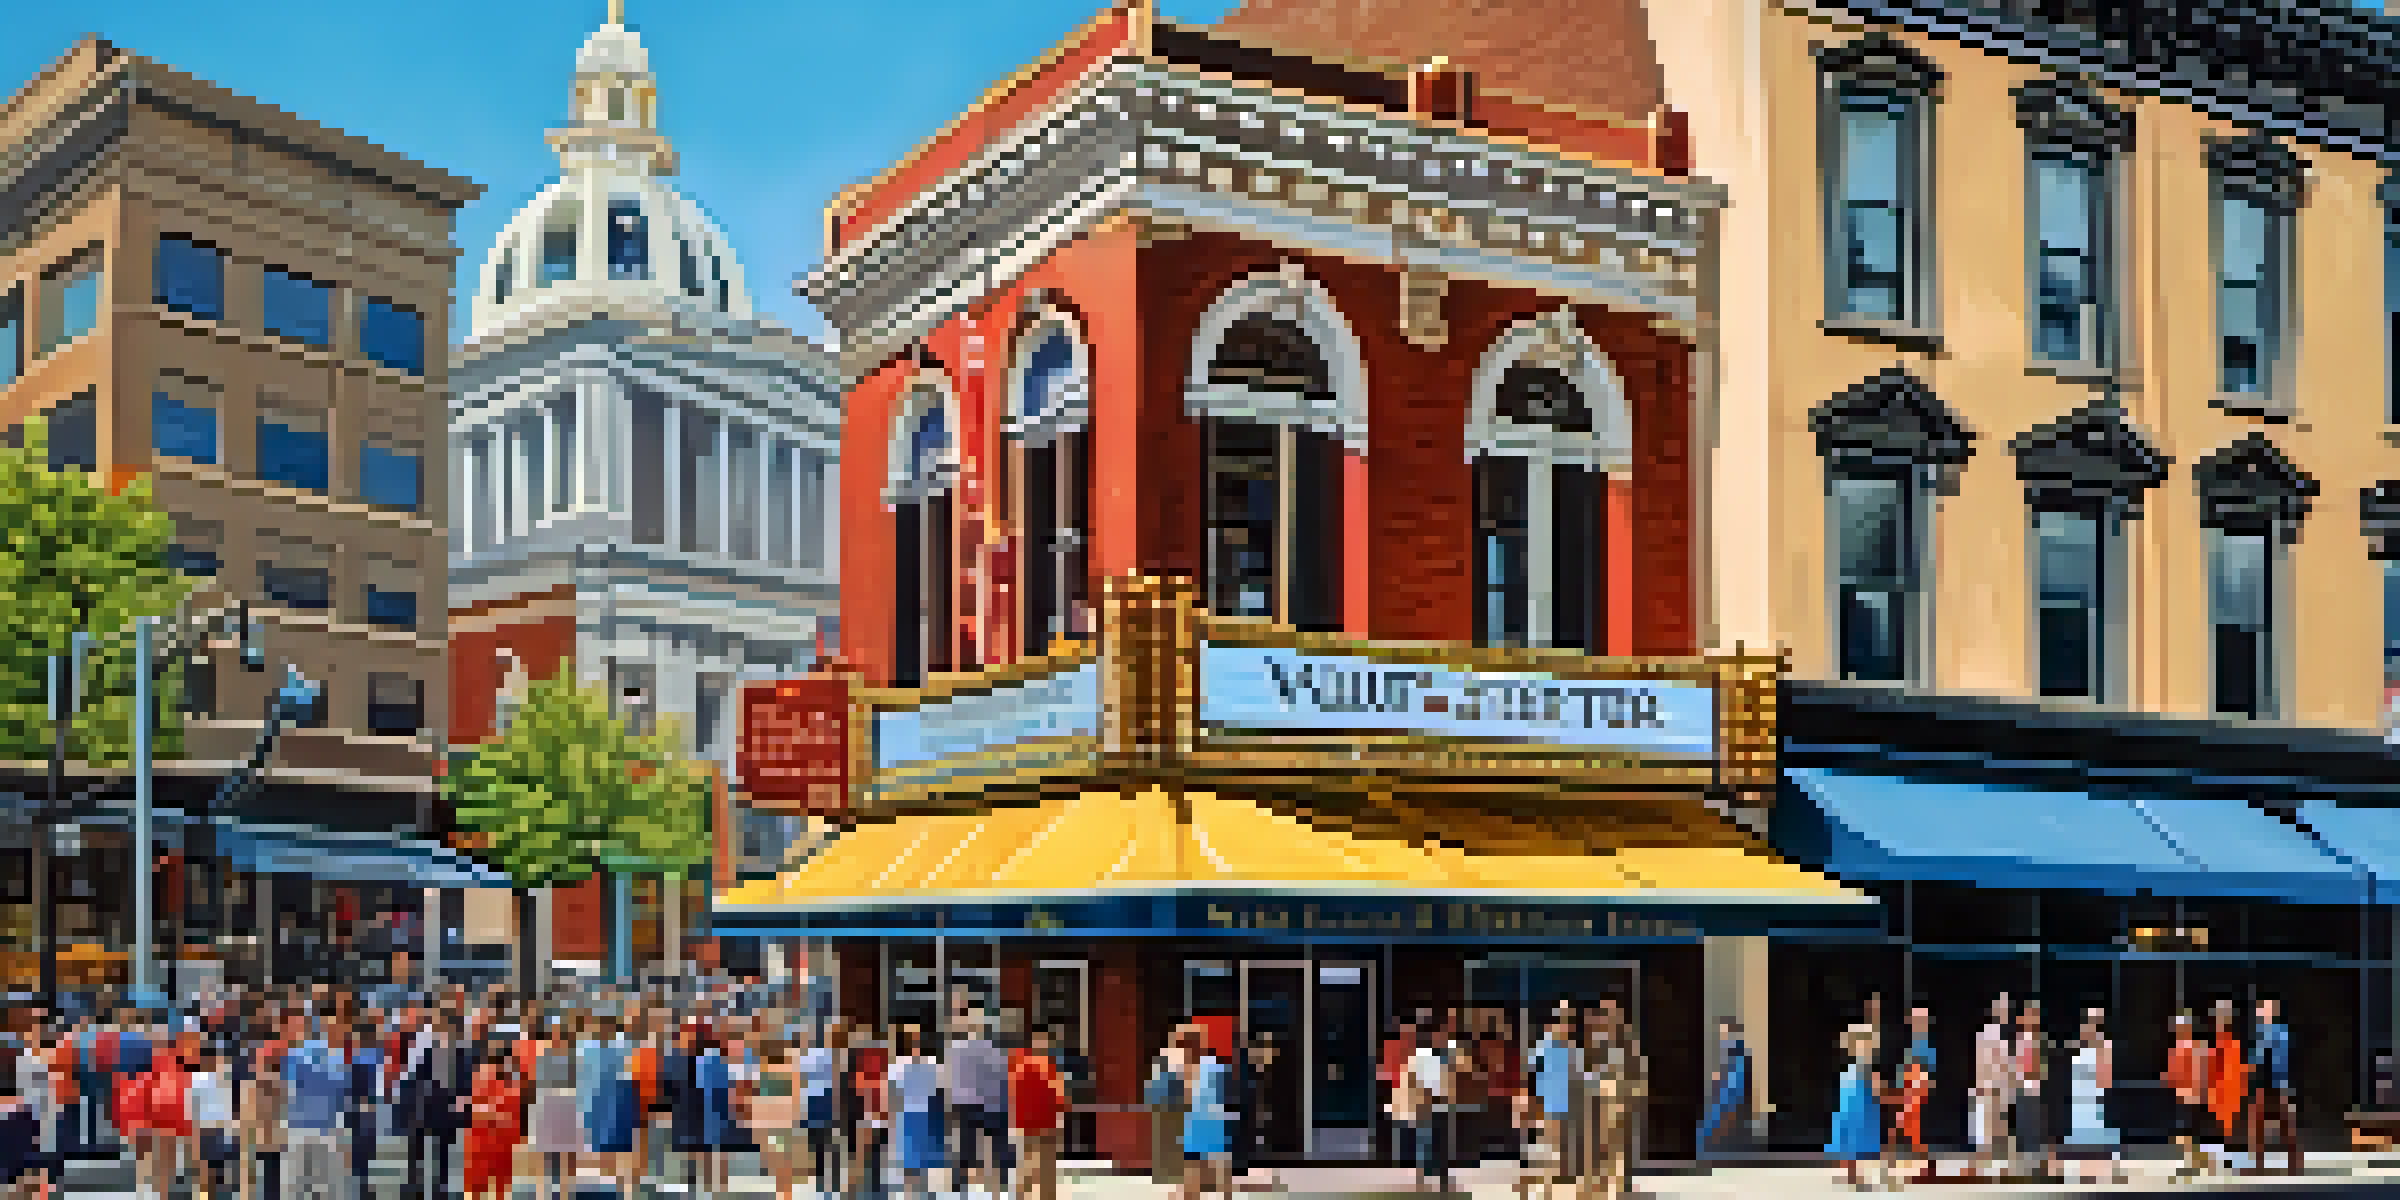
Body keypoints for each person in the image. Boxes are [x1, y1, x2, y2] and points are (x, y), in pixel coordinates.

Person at [945, 1012, 1010, 1200]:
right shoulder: (991, 1049)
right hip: (988, 1103)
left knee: (968, 1144)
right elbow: (1000, 1076)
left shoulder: (958, 1049)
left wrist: (953, 1102)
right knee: (995, 1144)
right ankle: (1001, 1181)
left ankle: (959, 1183)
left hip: (970, 1103)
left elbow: (951, 1079)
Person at [2061, 1007, 2119, 1185]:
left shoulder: (2104, 1046)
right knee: (2081, 1136)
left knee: (2093, 1135)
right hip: (2078, 1104)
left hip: (2094, 1103)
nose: (2092, 1025)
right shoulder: (2076, 1046)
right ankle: (2084, 1174)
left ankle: (2098, 1174)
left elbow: (2106, 1080)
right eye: (2090, 1020)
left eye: (2097, 1020)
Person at [525, 1019, 583, 1200]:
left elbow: (579, 1083)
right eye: (554, 1034)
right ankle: (545, 1191)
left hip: (567, 1105)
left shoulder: (573, 1056)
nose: (557, 1037)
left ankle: (566, 1190)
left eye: (560, 1034)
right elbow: (534, 1084)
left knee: (567, 1153)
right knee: (547, 1154)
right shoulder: (543, 1055)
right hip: (548, 1105)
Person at [1009, 1027, 1068, 1200]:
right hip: (1032, 1121)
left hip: (1040, 1121)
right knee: (1036, 1164)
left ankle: (1031, 1195)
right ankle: (1033, 1195)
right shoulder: (1033, 1064)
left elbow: (1059, 1096)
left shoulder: (1021, 1062)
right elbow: (1059, 1094)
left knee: (1038, 1164)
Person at [888, 1027, 946, 1200]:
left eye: (917, 1036)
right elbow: (893, 1094)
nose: (914, 1040)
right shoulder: (899, 1064)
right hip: (908, 1116)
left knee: (929, 1163)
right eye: (910, 1037)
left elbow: (940, 1089)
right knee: (910, 1163)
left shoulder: (931, 1062)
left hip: (928, 1116)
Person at [1825, 1026, 1882, 1191]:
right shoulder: (1853, 1071)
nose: (1866, 1047)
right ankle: (1851, 1174)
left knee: (1859, 1140)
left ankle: (1853, 1174)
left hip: (1863, 1106)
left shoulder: (1866, 1069)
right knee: (1852, 1139)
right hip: (1854, 1105)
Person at [2248, 996, 2299, 1175]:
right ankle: (2259, 1163)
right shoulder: (2259, 1033)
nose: (2260, 1012)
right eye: (2260, 1009)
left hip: (2278, 1084)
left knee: (2284, 1124)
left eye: (2264, 1009)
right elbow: (2255, 1060)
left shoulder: (2279, 1032)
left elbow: (2282, 1060)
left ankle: (2292, 1163)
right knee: (2258, 1124)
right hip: (2263, 1085)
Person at [462, 1059, 523, 1200]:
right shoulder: (507, 1092)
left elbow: (513, 1122)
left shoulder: (510, 1092)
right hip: (482, 1143)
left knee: (498, 1184)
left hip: (499, 1145)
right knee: (478, 1185)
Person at [2161, 1013, 2209, 1180]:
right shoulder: (2177, 1049)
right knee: (2182, 1133)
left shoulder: (2197, 1047)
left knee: (2190, 1133)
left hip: (2192, 1097)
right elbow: (2173, 1074)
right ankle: (2191, 1164)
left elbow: (2202, 1073)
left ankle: (2195, 1165)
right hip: (2181, 1097)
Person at [1969, 996, 2014, 1178]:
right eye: (2002, 1009)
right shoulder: (1987, 1035)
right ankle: (1986, 1167)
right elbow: (1982, 1064)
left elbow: (2005, 1066)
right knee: (1986, 1130)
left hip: (1998, 1089)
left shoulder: (2004, 1038)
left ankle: (1998, 1166)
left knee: (1998, 1128)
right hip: (1987, 1089)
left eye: (2006, 1010)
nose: (2004, 1013)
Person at [240, 1039, 288, 1200]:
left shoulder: (278, 1086)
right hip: (259, 1144)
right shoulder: (251, 1086)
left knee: (269, 1184)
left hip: (271, 1145)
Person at [1889, 1009, 1933, 1184]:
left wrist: (1920, 1084)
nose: (1917, 1023)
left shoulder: (1926, 1046)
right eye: (1915, 1019)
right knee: (1902, 1124)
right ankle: (1897, 1164)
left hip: (1917, 1092)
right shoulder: (1910, 1045)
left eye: (1920, 1019)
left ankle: (1919, 1166)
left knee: (1915, 1128)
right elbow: (1904, 1070)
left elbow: (1928, 1073)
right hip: (1908, 1091)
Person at [2205, 998, 2248, 1175]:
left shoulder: (2232, 1042)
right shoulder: (2218, 1042)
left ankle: (2236, 1160)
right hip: (2220, 1090)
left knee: (2231, 1126)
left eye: (2224, 1015)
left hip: (2230, 1090)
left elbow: (2237, 1066)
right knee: (2222, 1126)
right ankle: (2225, 1160)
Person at [1696, 1019, 1748, 1160]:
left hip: (1728, 1092)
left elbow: (1736, 1075)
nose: (1722, 1034)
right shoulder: (1728, 1047)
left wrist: (1720, 1077)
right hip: (1722, 1091)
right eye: (1721, 1031)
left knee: (1716, 1123)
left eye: (1724, 1030)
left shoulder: (1737, 1049)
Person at [2011, 1001, 2048, 1179]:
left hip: (2035, 1089)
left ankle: (2034, 1163)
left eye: (2034, 1016)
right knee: (2022, 1125)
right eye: (2028, 1015)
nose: (2030, 1019)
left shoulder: (2039, 1040)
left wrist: (2035, 1075)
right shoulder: (2018, 1040)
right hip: (2021, 1089)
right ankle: (2022, 1163)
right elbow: (2014, 1064)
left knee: (2034, 1126)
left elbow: (2043, 1068)